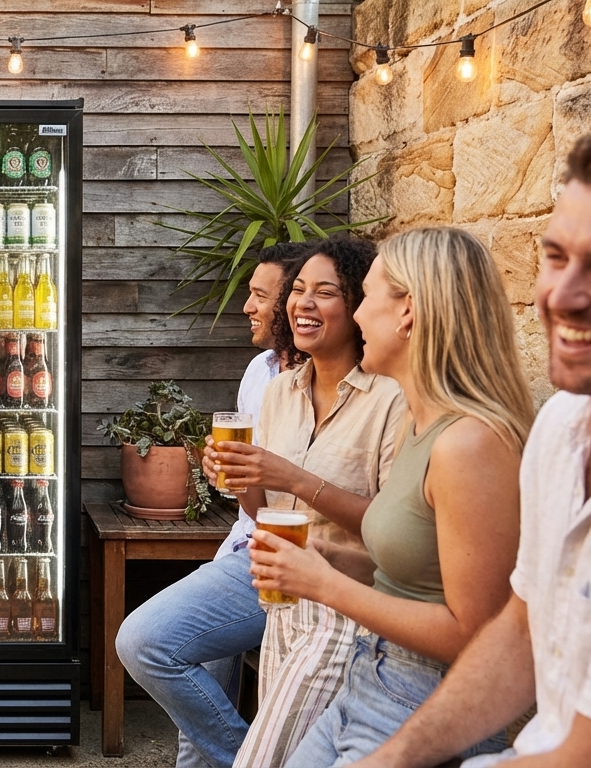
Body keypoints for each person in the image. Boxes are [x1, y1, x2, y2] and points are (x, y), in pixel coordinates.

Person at [350, 130, 591, 768]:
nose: (562, 295)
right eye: (555, 257)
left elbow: (590, 754)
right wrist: (393, 758)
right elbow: (519, 630)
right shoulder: (561, 429)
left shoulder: (473, 441)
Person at [249, 227, 534, 765]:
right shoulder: (420, 424)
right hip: (371, 677)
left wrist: (324, 583)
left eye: (368, 297)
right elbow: (415, 572)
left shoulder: (469, 445)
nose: (355, 316)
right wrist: (329, 556)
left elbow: (479, 637)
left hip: (422, 700)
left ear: (408, 313)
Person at [206, 238, 406, 768]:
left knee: (260, 759)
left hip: (346, 606)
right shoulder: (279, 392)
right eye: (297, 291)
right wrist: (234, 476)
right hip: (282, 602)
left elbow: (392, 531)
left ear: (357, 306)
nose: (303, 303)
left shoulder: (390, 397)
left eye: (325, 292)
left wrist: (292, 476)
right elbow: (258, 508)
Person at [114, 240, 312, 767]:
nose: (247, 306)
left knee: (154, 648)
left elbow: (296, 496)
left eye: (259, 295)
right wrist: (225, 472)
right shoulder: (260, 372)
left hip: (290, 560)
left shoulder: (332, 387)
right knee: (193, 700)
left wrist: (260, 478)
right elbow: (252, 500)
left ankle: (251, 761)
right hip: (243, 543)